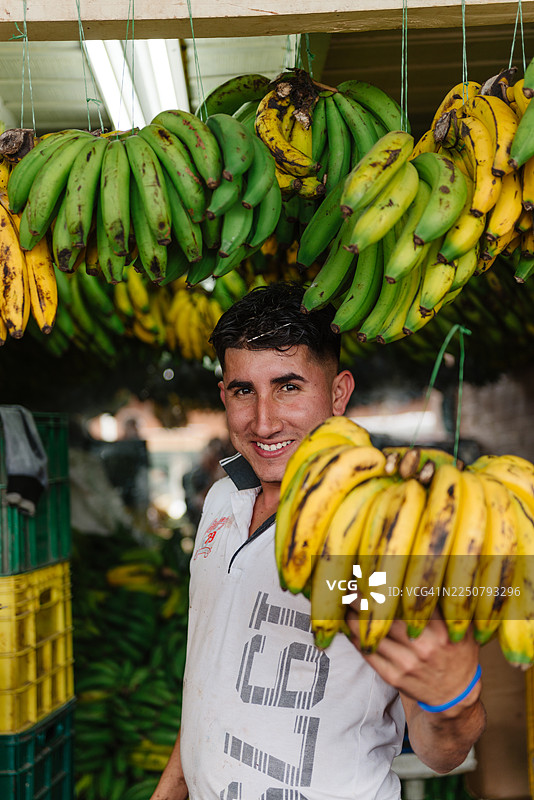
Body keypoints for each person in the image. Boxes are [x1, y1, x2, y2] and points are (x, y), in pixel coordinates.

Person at [150, 282, 485, 800]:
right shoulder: (222, 500)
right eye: (244, 390)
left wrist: (453, 702)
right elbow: (210, 690)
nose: (264, 422)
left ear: (338, 393)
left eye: (288, 387)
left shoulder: (379, 533)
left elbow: (442, 752)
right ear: (224, 396)